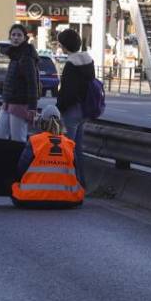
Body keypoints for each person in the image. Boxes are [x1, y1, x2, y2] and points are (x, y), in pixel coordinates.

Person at [12, 106, 84, 208]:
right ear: (60, 123)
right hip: (68, 199)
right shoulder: (69, 145)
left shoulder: (35, 141)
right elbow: (78, 176)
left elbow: (20, 170)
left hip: (32, 198)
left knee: (14, 187)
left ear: (41, 123)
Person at [55, 28, 96, 188]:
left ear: (65, 45)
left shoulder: (71, 64)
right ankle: (80, 182)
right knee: (77, 149)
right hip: (84, 110)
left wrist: (59, 108)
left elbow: (68, 91)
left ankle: (68, 184)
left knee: (67, 148)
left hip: (71, 111)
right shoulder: (88, 61)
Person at [0, 23, 41, 141]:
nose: (16, 38)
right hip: (8, 102)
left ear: (25, 38)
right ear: (10, 37)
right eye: (13, 35)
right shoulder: (15, 54)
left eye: (19, 35)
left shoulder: (26, 57)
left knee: (18, 139)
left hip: (20, 104)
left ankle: (20, 159)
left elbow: (32, 83)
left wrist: (32, 107)